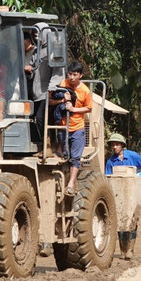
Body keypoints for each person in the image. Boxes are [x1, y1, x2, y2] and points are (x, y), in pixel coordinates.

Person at [53, 61, 91, 196]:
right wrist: (63, 100)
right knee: (62, 154)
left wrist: (73, 108)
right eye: (70, 74)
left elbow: (89, 108)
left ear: (80, 75)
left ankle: (70, 184)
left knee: (75, 158)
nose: (72, 77)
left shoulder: (85, 90)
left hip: (77, 128)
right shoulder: (63, 84)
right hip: (63, 127)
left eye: (75, 74)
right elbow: (52, 100)